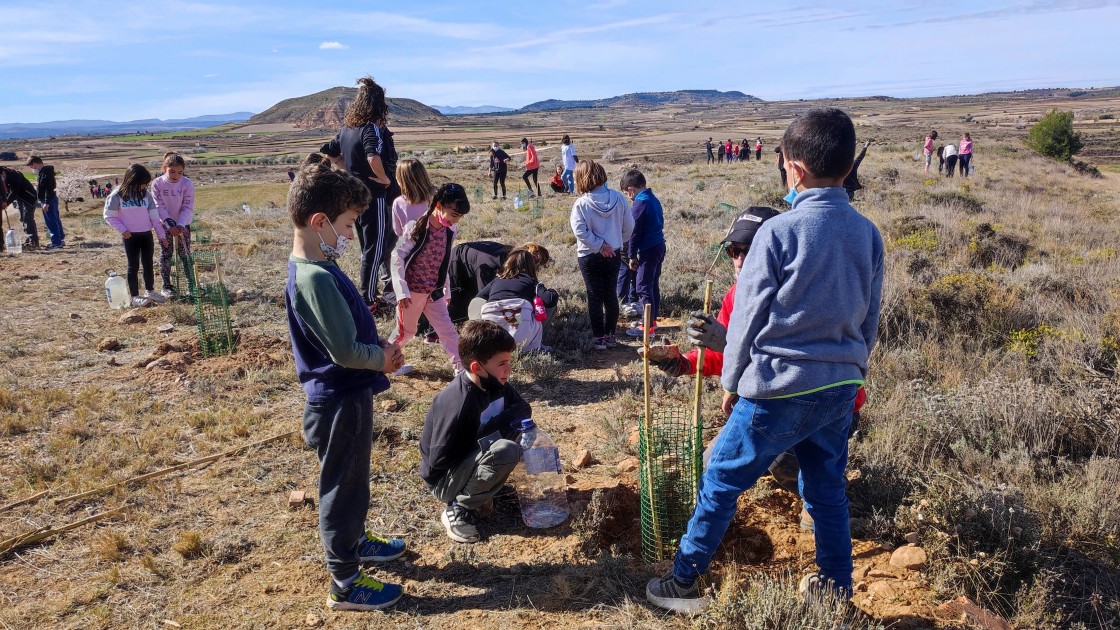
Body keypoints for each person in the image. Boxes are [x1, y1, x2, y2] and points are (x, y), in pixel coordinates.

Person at [646, 108, 883, 613]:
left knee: (721, 479)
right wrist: (851, 369)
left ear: (792, 168)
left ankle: (683, 582)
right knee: (825, 492)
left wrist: (732, 380)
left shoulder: (779, 234)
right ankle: (836, 593)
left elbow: (748, 319)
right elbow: (870, 321)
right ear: (846, 167)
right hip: (840, 387)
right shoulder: (868, 234)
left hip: (778, 386)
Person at [283, 155, 407, 612]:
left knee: (352, 478)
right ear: (320, 222)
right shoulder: (314, 278)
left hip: (345, 397)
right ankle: (346, 580)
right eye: (349, 223)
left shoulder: (319, 266)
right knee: (342, 487)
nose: (353, 233)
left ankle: (354, 542)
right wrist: (383, 359)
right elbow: (344, 352)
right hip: (340, 400)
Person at [419, 320, 529, 543]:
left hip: (469, 461)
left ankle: (486, 489)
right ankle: (458, 509)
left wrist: (494, 433)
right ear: (477, 367)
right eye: (502, 363)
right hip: (444, 479)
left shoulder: (495, 383)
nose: (509, 370)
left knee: (516, 431)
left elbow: (523, 408)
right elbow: (438, 460)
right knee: (505, 449)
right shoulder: (458, 402)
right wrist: (488, 440)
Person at [389, 183, 470, 375]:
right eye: (453, 214)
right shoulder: (416, 227)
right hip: (412, 292)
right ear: (439, 205)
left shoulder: (450, 231)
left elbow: (444, 260)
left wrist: (446, 289)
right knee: (405, 333)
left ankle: (461, 370)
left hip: (433, 291)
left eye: (459, 217)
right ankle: (383, 363)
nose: (455, 221)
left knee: (447, 331)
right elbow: (396, 257)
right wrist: (401, 291)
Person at [335, 76, 398, 311]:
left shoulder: (346, 129)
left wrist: (351, 172)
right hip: (375, 196)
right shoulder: (369, 128)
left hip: (357, 195)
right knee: (376, 247)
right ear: (378, 104)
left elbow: (331, 154)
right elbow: (373, 156)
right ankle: (368, 299)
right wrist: (383, 178)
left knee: (367, 247)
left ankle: (369, 294)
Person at [570, 160, 634, 351]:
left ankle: (599, 339)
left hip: (589, 255)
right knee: (610, 294)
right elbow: (629, 225)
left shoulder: (581, 203)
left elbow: (579, 231)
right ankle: (612, 336)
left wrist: (598, 246)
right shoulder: (618, 198)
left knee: (594, 296)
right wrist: (615, 243)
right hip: (613, 253)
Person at [103, 164, 168, 307]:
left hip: (146, 235)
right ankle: (134, 296)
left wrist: (161, 236)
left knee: (148, 264)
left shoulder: (146, 195)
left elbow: (154, 217)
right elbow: (109, 216)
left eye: (146, 184)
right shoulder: (117, 195)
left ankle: (150, 291)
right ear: (132, 181)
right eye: (142, 184)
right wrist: (123, 230)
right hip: (130, 237)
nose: (144, 186)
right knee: (133, 266)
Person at [475, 247, 560, 352]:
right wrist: (550, 291)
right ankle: (535, 344)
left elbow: (477, 299)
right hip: (520, 334)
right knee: (544, 306)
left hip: (491, 336)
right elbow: (550, 299)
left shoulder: (496, 280)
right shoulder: (530, 281)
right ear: (531, 266)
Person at [619, 169, 665, 338]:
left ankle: (648, 328)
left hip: (648, 249)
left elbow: (634, 232)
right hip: (658, 245)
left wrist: (631, 255)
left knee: (643, 287)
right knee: (652, 285)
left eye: (626, 193)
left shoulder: (640, 203)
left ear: (631, 189)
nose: (628, 197)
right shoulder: (652, 198)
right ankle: (651, 321)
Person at [152, 152, 195, 298]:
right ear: (165, 168)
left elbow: (187, 206)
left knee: (185, 254)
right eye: (172, 171)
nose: (176, 175)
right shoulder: (157, 183)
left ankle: (191, 285)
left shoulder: (187, 184)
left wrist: (181, 224)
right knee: (166, 254)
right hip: (165, 225)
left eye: (180, 172)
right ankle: (167, 286)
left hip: (183, 224)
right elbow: (159, 205)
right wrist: (169, 224)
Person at [26, 156, 64, 249]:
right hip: (51, 198)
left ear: (35, 164)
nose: (32, 169)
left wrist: (46, 202)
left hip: (48, 200)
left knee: (51, 221)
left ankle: (56, 242)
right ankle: (60, 239)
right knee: (55, 219)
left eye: (31, 167)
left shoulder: (45, 173)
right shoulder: (45, 172)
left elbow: (48, 189)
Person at [0, 165, 41, 249]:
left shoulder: (14, 176)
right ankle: (29, 239)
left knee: (28, 218)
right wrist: (4, 201)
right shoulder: (6, 178)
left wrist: (6, 203)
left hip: (29, 198)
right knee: (22, 218)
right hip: (21, 199)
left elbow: (14, 192)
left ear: (3, 172)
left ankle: (34, 241)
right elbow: (8, 191)